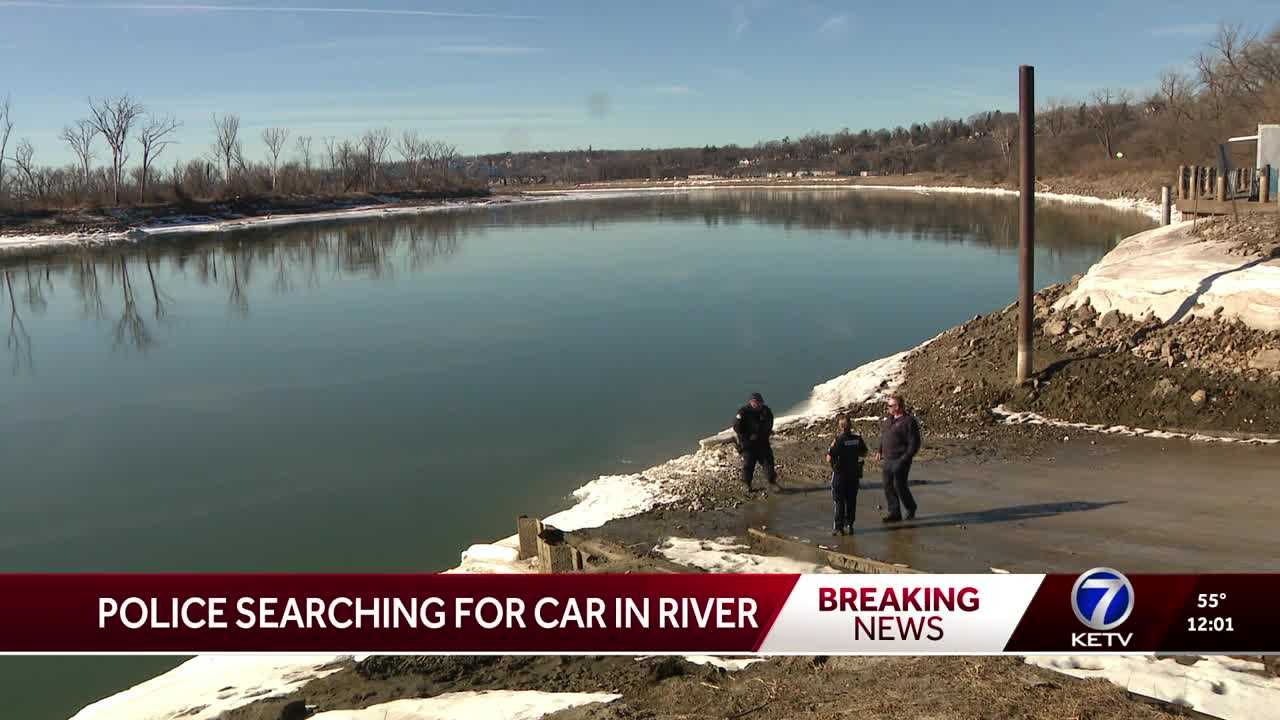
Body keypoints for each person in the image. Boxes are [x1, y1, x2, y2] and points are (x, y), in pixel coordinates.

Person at [875, 394, 921, 522]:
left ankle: (910, 507)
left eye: (890, 405)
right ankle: (894, 513)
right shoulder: (888, 419)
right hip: (887, 458)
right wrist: (880, 450)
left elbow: (914, 443)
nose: (887, 408)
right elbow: (884, 436)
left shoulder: (909, 421)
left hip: (901, 459)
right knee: (887, 485)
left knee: (899, 485)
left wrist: (905, 458)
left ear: (898, 406)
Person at [826, 415, 868, 535]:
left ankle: (838, 527)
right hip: (854, 474)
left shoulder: (838, 440)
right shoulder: (857, 439)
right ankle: (850, 524)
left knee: (839, 501)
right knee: (851, 500)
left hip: (840, 475)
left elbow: (829, 458)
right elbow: (864, 453)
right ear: (850, 425)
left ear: (840, 427)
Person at [734, 392, 778, 490]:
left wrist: (762, 434)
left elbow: (769, 424)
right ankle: (747, 484)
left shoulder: (766, 411)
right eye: (754, 402)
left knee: (768, 462)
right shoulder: (743, 412)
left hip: (762, 441)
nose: (756, 404)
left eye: (758, 402)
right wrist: (748, 436)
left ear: (761, 402)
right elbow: (737, 428)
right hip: (748, 443)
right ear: (750, 402)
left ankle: (772, 481)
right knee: (748, 464)